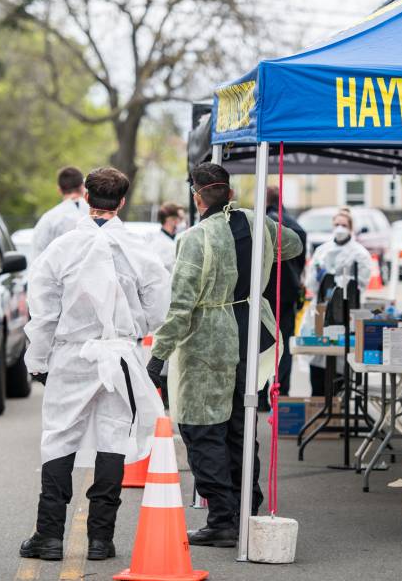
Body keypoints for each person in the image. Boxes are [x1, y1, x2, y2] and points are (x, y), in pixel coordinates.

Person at [19, 167, 169, 563]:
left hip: (72, 354)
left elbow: (43, 311)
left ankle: (49, 534)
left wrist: (37, 359)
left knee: (59, 436)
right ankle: (101, 539)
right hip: (120, 353)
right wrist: (133, 328)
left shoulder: (62, 249)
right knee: (113, 439)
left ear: (86, 197)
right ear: (121, 202)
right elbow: (159, 306)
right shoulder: (139, 249)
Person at [149, 163, 302, 547]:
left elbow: (181, 306)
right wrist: (262, 248)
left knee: (202, 430)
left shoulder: (194, 239)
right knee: (240, 423)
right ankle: (246, 509)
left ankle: (221, 519)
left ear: (196, 196)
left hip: (209, 342)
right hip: (253, 333)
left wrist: (158, 356)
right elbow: (295, 244)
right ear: (230, 193)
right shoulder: (255, 222)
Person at [305, 208, 372, 396]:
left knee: (339, 365)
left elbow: (361, 284)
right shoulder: (322, 251)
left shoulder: (359, 253)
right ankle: (319, 406)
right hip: (320, 311)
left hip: (345, 315)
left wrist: (340, 281)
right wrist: (319, 276)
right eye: (336, 225)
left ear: (351, 228)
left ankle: (337, 408)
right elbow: (311, 282)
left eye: (344, 225)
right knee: (318, 362)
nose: (339, 228)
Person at [258, 186, 306, 410]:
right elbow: (301, 259)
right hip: (287, 294)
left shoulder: (260, 223)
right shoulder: (295, 227)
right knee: (283, 346)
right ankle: (281, 392)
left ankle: (258, 397)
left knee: (260, 346)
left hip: (262, 294)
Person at [32, 166, 90, 255]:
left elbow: (37, 254)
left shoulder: (49, 218)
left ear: (59, 190)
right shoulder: (98, 215)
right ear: (83, 187)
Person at [151, 202, 185, 273]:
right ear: (170, 219)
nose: (183, 222)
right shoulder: (157, 243)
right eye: (181, 218)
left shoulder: (180, 238)